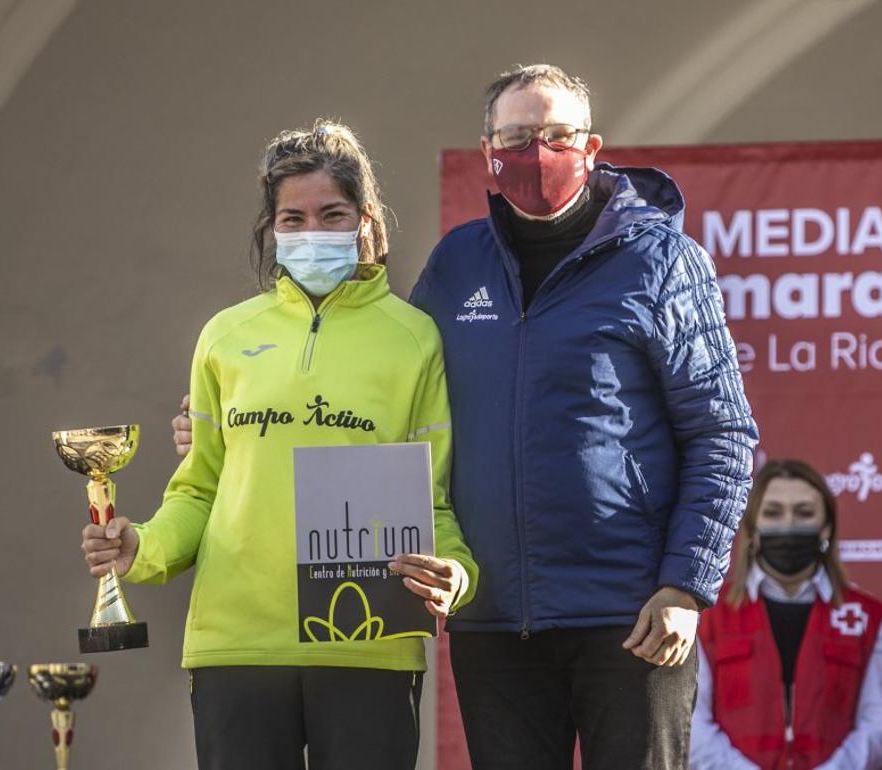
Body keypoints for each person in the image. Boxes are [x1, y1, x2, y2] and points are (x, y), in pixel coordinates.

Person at [179, 63, 757, 769]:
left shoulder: (665, 262)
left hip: (629, 612)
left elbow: (722, 436)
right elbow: (383, 385)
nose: (535, 153)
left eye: (555, 134)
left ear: (592, 146)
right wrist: (230, 421)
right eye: (515, 137)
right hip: (492, 620)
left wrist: (685, 586)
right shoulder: (458, 262)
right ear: (487, 151)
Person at [83, 120, 479, 770]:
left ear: (365, 218)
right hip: (235, 648)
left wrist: (456, 575)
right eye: (292, 219)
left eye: (332, 214)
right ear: (269, 226)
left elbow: (432, 499)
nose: (311, 233)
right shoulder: (224, 336)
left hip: (368, 649)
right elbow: (201, 489)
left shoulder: (414, 340)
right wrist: (141, 546)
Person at [691, 459, 882, 770]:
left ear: (826, 526)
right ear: (753, 528)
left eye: (804, 513)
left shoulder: (866, 619)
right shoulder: (708, 618)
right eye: (773, 513)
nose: (788, 524)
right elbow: (693, 725)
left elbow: (880, 726)